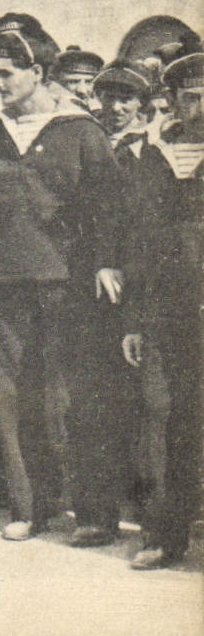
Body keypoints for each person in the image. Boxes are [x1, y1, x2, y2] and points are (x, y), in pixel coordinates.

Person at [0, 13, 125, 544]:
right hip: (6, 280)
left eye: (6, 73)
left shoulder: (80, 130)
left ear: (37, 73)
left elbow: (107, 204)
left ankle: (95, 514)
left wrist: (104, 261)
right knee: (11, 396)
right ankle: (31, 507)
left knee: (72, 398)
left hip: (66, 282)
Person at [119, 47, 204, 570]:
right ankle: (163, 534)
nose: (200, 108)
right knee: (163, 417)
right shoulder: (154, 155)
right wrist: (134, 320)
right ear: (171, 100)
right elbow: (140, 242)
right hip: (167, 311)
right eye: (190, 98)